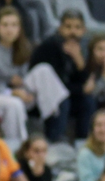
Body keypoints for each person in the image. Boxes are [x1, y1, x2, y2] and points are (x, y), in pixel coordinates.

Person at [0, 6, 68, 141]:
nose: (9, 29)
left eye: (14, 25)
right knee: (14, 104)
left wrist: (24, 90)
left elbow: (25, 80)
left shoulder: (23, 48)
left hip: (19, 94)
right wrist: (11, 91)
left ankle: (54, 132)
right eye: (5, 25)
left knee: (44, 70)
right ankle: (18, 145)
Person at [30, 10, 97, 142]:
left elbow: (84, 83)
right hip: (43, 97)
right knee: (61, 100)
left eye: (77, 27)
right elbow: (55, 85)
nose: (73, 32)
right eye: (68, 27)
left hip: (69, 94)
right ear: (60, 28)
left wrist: (79, 62)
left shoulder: (84, 49)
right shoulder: (49, 47)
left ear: (84, 30)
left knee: (88, 102)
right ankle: (55, 142)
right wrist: (81, 89)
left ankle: (82, 142)